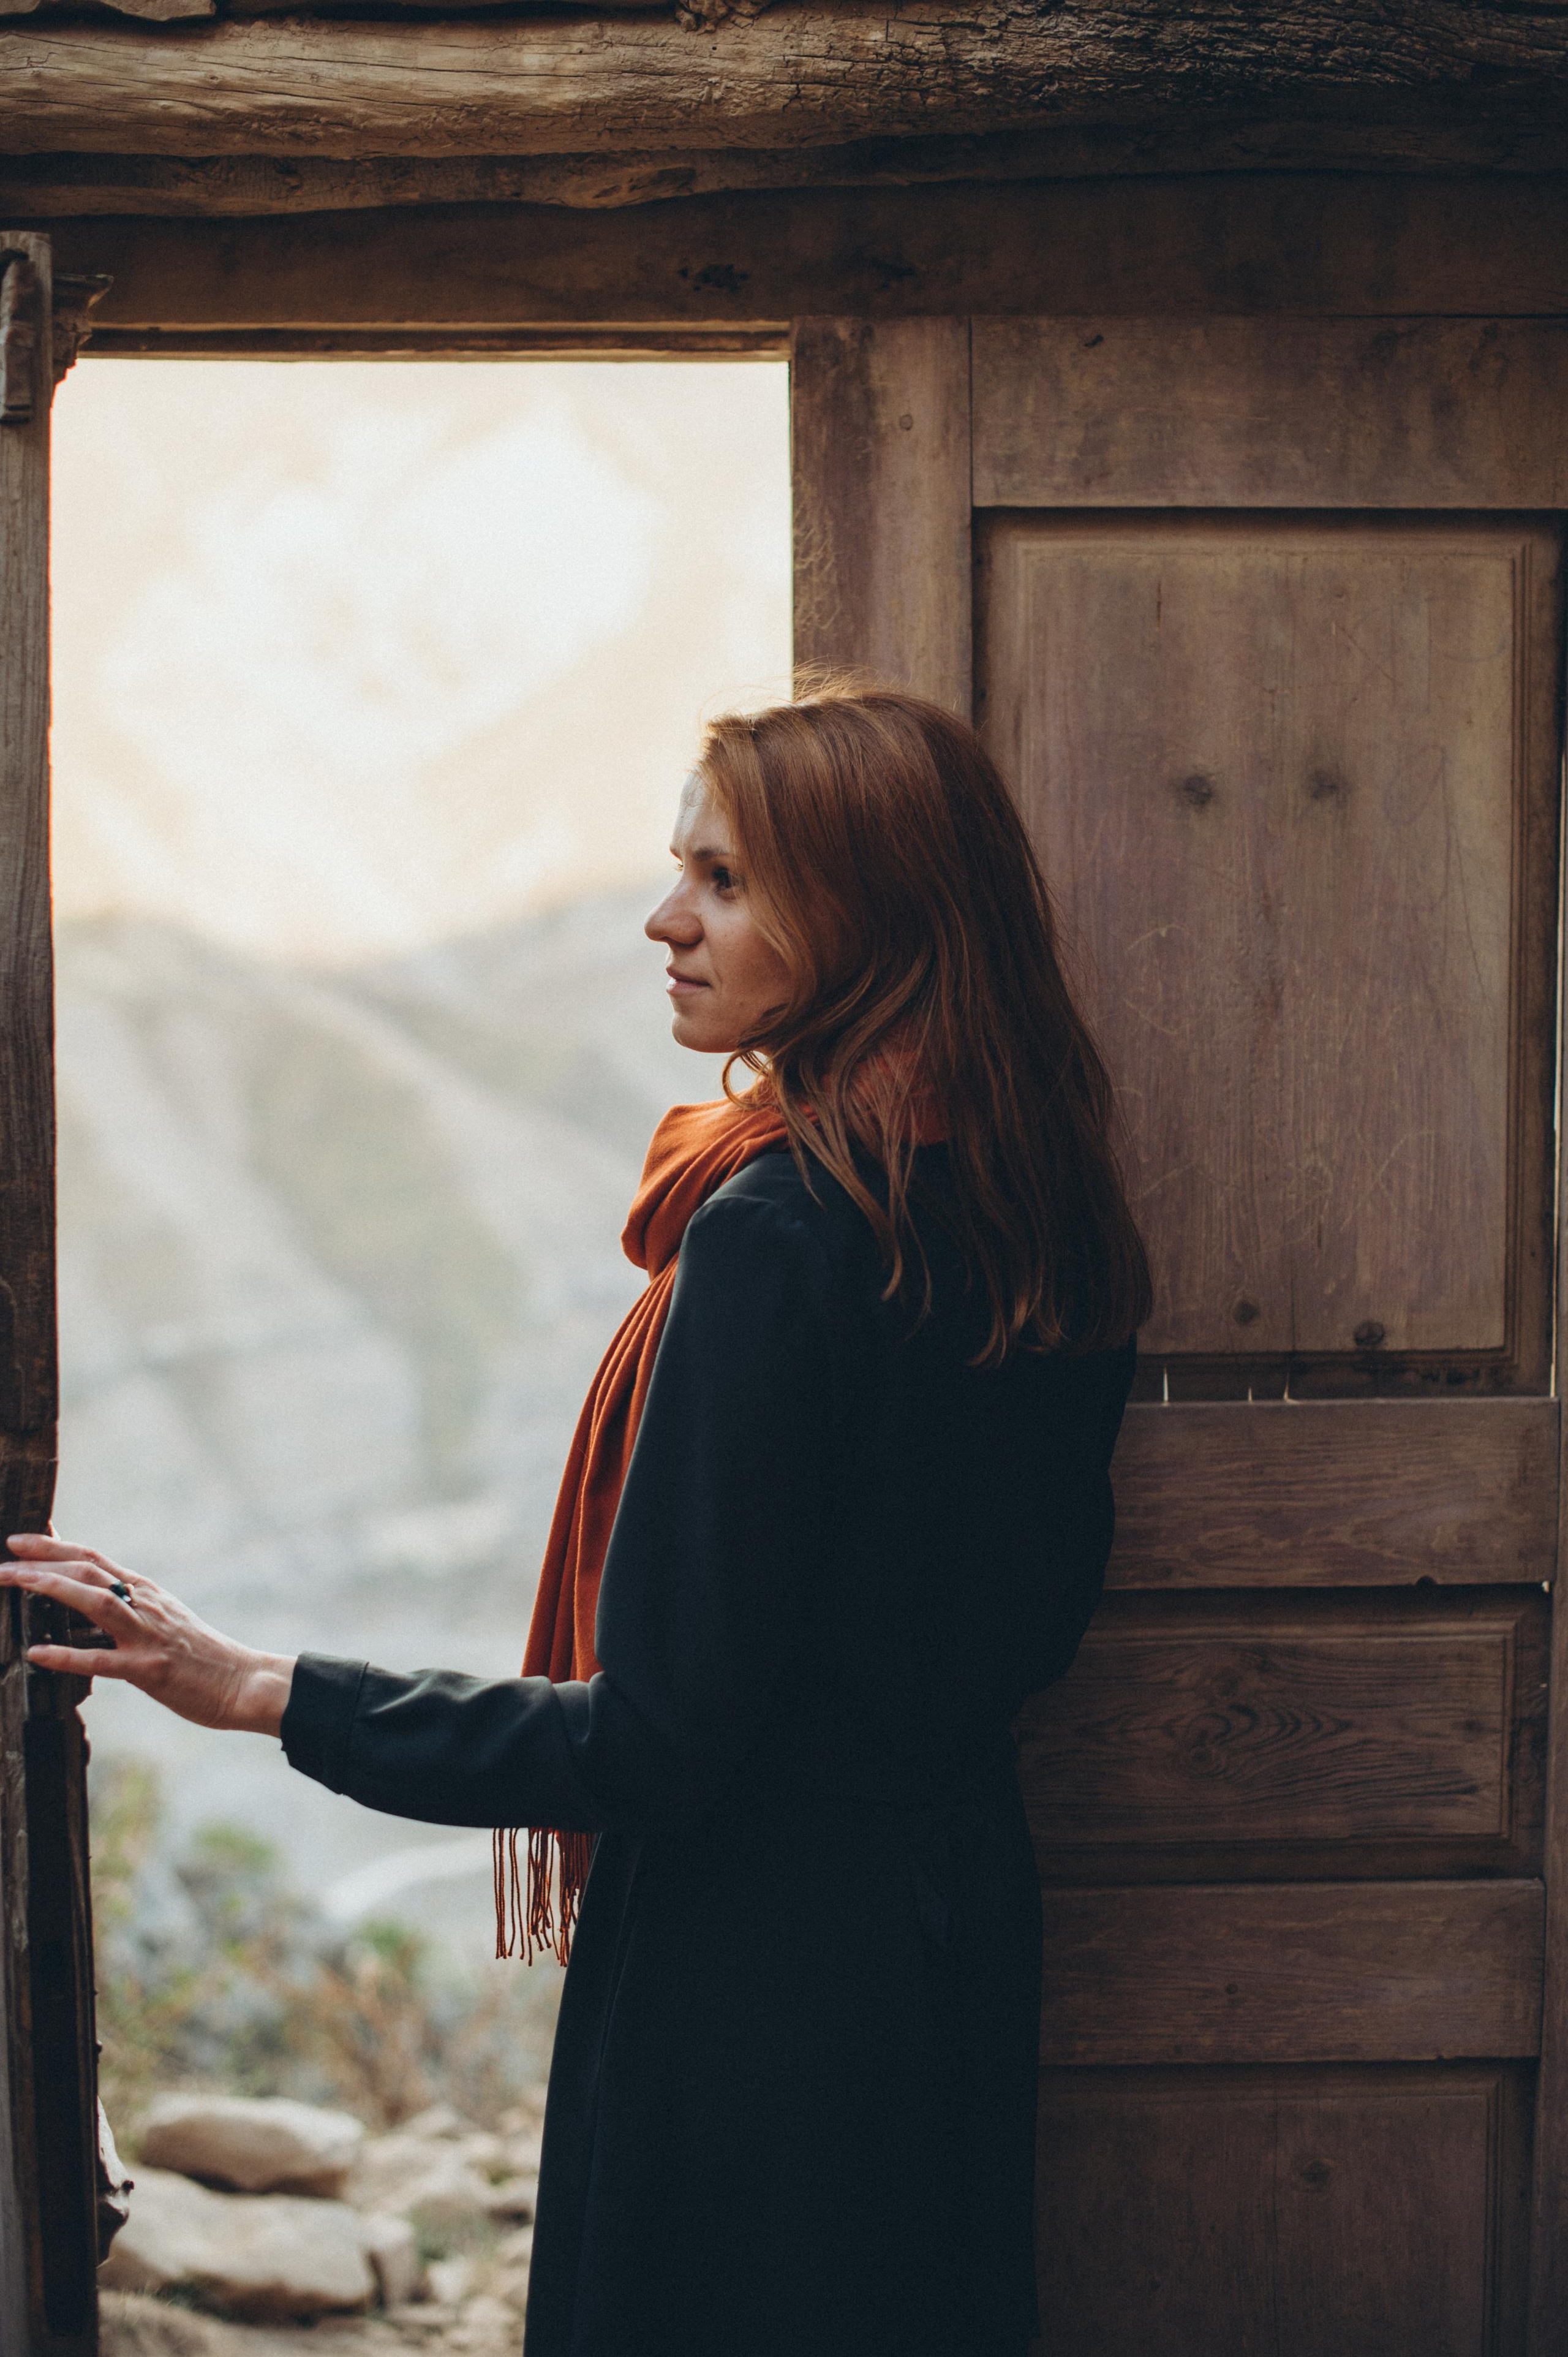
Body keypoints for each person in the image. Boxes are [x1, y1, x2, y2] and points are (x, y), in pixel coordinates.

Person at [2, 684, 1150, 2357]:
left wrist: (264, 1688)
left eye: (728, 881)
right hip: (954, 1939)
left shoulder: (783, 1237)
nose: (666, 918)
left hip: (748, 1988)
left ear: (878, 914)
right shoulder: (1046, 1217)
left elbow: (658, 1746)